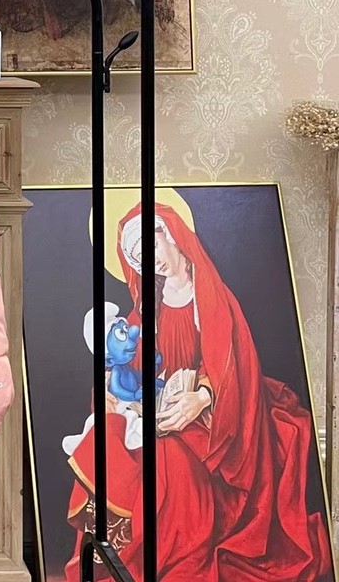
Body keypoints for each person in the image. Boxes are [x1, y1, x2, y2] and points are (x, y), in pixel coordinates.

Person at [62, 202, 332, 582]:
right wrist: (109, 390)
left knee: (167, 461)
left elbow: (231, 362)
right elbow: (127, 362)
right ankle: (111, 557)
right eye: (139, 258)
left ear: (170, 234)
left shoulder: (208, 296)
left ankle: (163, 563)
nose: (151, 262)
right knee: (106, 438)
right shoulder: (149, 307)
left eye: (151, 247)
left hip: (213, 416)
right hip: (159, 408)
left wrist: (202, 397)